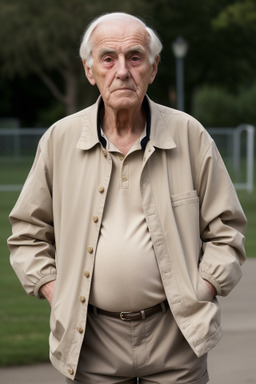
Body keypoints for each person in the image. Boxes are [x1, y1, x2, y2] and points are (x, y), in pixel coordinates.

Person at [8, 12, 247, 384]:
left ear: (152, 69)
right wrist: (58, 292)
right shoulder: (59, 140)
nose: (122, 70)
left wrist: (204, 288)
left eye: (135, 57)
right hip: (92, 341)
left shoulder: (190, 136)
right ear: (90, 71)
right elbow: (27, 233)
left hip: (176, 337)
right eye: (108, 58)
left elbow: (227, 230)